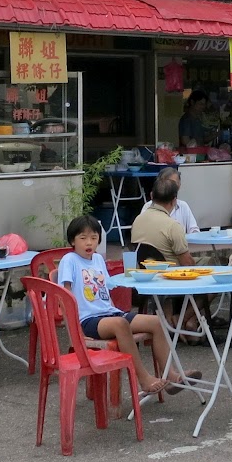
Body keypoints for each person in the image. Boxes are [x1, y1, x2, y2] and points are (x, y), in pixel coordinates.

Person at [54, 215, 189, 401]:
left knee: (156, 321)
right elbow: (64, 296)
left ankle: (171, 376)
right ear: (72, 240)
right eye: (83, 238)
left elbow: (108, 287)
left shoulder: (98, 260)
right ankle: (144, 378)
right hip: (88, 320)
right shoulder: (69, 260)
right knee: (120, 324)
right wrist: (74, 330)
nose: (89, 243)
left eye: (94, 238)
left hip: (110, 313)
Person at [130, 175, 196, 266]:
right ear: (174, 201)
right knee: (209, 261)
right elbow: (187, 263)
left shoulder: (137, 220)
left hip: (146, 272)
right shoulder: (173, 226)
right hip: (171, 274)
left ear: (151, 196)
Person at [143, 167, 199, 233]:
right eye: (168, 183)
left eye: (175, 184)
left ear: (179, 185)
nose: (172, 187)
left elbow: (193, 229)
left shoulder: (183, 206)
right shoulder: (148, 206)